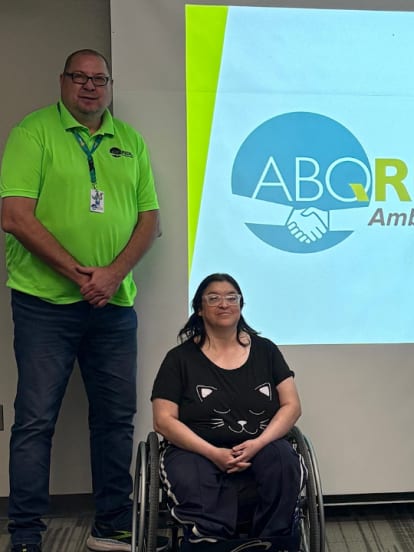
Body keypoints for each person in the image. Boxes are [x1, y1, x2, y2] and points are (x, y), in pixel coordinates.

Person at [0, 49, 160, 552]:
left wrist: (112, 276)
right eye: (80, 77)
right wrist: (79, 274)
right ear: (63, 81)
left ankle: (111, 524)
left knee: (115, 419)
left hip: (113, 307)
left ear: (109, 85)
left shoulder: (129, 140)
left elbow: (149, 220)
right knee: (35, 420)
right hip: (43, 304)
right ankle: (26, 534)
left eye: (99, 79)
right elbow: (15, 216)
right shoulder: (33, 133)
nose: (90, 87)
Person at [151, 273, 304, 546]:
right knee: (192, 476)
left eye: (231, 297)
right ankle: (211, 543)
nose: (224, 304)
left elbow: (291, 406)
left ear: (241, 305)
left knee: (283, 462)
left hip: (261, 442)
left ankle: (272, 542)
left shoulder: (266, 350)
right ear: (199, 308)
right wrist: (212, 452)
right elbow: (163, 420)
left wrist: (258, 443)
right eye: (214, 298)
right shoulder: (179, 359)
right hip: (196, 448)